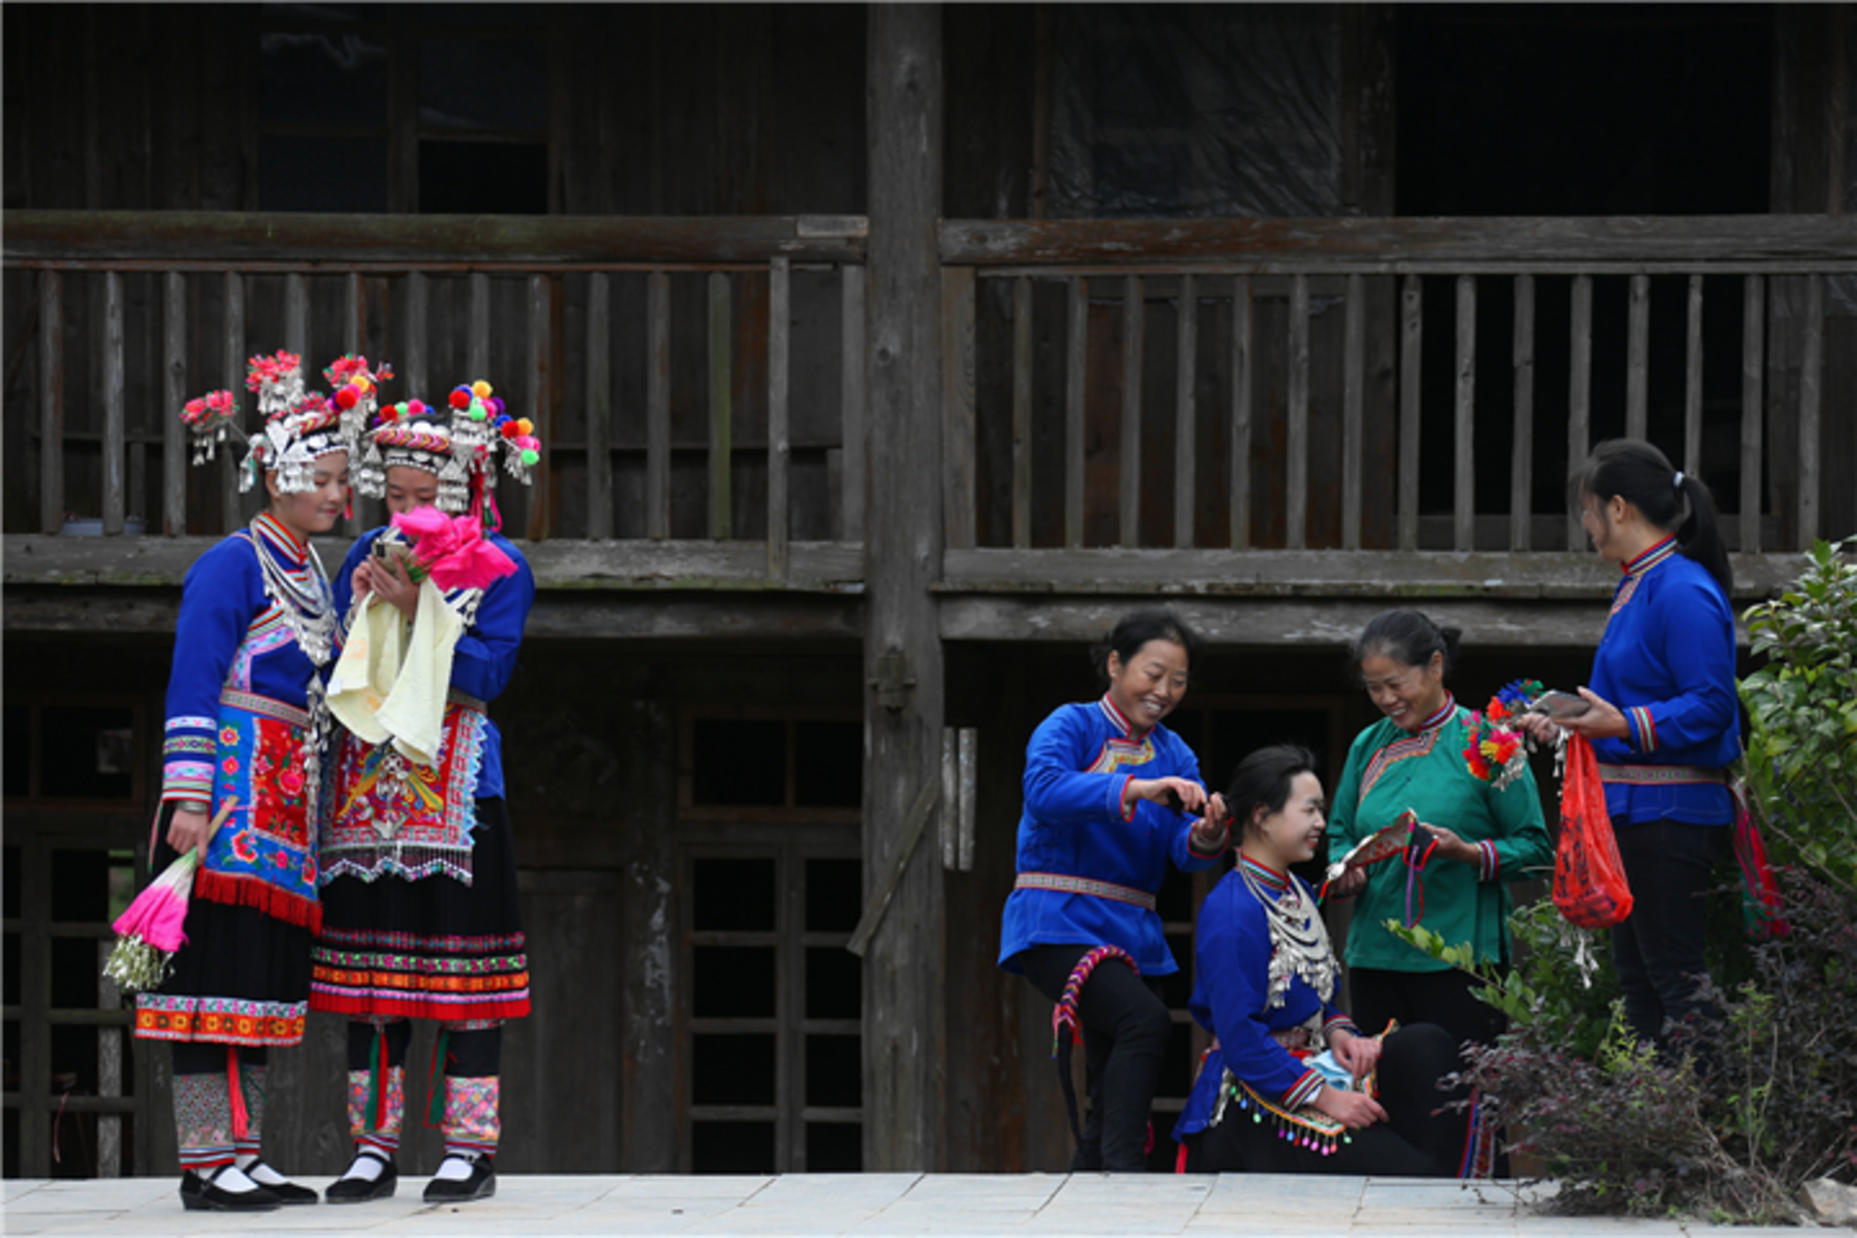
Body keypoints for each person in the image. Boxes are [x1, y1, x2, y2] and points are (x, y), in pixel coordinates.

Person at [137, 351, 361, 1210]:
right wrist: (188, 798)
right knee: (204, 984)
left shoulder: (310, 574)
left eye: (346, 480)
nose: (343, 495)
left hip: (281, 805)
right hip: (222, 803)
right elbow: (193, 679)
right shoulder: (232, 564)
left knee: (258, 979)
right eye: (329, 480)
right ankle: (204, 1160)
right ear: (280, 474)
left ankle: (245, 1148)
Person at [311, 380, 539, 1204]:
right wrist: (368, 612)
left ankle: (467, 1148)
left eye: (425, 498)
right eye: (396, 495)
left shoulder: (501, 567)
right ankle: (372, 1145)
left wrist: (421, 610)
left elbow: (489, 673)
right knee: (373, 974)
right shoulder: (364, 552)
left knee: (464, 972)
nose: (406, 512)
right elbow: (338, 660)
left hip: (459, 786)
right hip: (369, 786)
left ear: (470, 489)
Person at [1518, 439, 1739, 1052]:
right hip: (1636, 816)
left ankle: (1704, 1137)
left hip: (1668, 816)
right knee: (1643, 985)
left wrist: (1622, 725)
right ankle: (1663, 1136)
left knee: (1674, 984)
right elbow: (1635, 703)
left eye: (1586, 511)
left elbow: (1714, 705)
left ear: (1617, 508)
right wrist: (1574, 716)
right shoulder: (1641, 585)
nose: (1585, 526)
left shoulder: (1679, 589)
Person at [997, 609, 1231, 1172]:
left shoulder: (1176, 752)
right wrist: (1137, 787)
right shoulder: (1071, 724)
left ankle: (1092, 1185)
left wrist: (1207, 834)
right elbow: (1045, 791)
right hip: (1060, 918)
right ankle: (1125, 1175)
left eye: (1178, 681)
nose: (1165, 691)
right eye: (1153, 674)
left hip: (1133, 932)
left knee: (1111, 1070)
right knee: (1143, 1022)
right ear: (1114, 664)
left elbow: (1183, 846)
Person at [1175, 745, 1471, 1175]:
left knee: (1425, 1047)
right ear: (1262, 815)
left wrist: (1341, 1035)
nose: (1320, 824)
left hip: (1316, 1064)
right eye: (1310, 810)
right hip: (1258, 1092)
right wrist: (1327, 1098)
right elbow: (1240, 1037)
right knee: (1408, 1171)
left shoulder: (1295, 891)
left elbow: (1316, 996)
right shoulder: (1233, 911)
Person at [1325, 610, 1552, 1054]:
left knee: (1462, 1101)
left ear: (1435, 666)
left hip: (1461, 960)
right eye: (1374, 688)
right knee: (1382, 1098)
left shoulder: (1491, 742)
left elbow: (1537, 849)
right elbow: (1340, 833)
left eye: (1395, 684)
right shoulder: (1367, 746)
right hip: (1375, 956)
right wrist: (1346, 869)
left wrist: (1468, 852)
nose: (1386, 698)